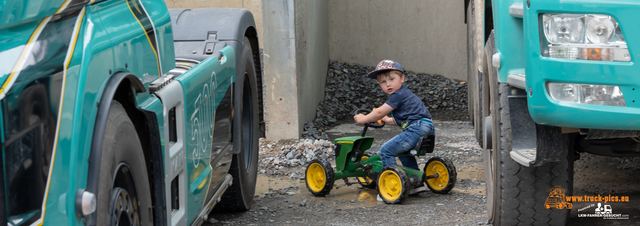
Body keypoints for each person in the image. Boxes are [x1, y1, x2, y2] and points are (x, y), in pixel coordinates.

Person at [353, 59, 434, 195]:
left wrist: (363, 119)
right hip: (425, 126)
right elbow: (400, 120)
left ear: (402, 78)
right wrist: (386, 120)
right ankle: (416, 183)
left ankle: (390, 187)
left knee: (386, 151)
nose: (388, 84)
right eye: (383, 82)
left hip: (416, 127)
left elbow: (379, 111)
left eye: (392, 79)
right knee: (404, 153)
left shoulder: (397, 95)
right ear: (379, 84)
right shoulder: (406, 94)